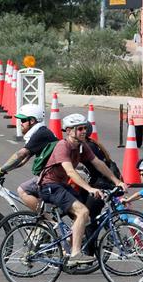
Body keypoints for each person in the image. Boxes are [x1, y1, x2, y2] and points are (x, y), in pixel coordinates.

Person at [37, 114, 128, 265]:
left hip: (61, 186)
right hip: (50, 186)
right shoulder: (63, 146)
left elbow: (98, 163)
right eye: (79, 129)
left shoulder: (81, 146)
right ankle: (75, 254)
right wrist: (90, 188)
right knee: (83, 212)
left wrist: (117, 181)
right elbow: (71, 172)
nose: (84, 131)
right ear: (69, 131)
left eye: (85, 128)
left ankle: (69, 249)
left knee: (85, 217)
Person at [0, 104, 55, 211]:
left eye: (23, 120)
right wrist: (4, 171)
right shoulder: (40, 132)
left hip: (51, 176)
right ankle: (42, 221)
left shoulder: (40, 134)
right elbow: (23, 161)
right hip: (50, 174)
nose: (20, 124)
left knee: (23, 190)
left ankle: (45, 221)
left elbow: (21, 155)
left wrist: (0, 169)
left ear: (32, 121)